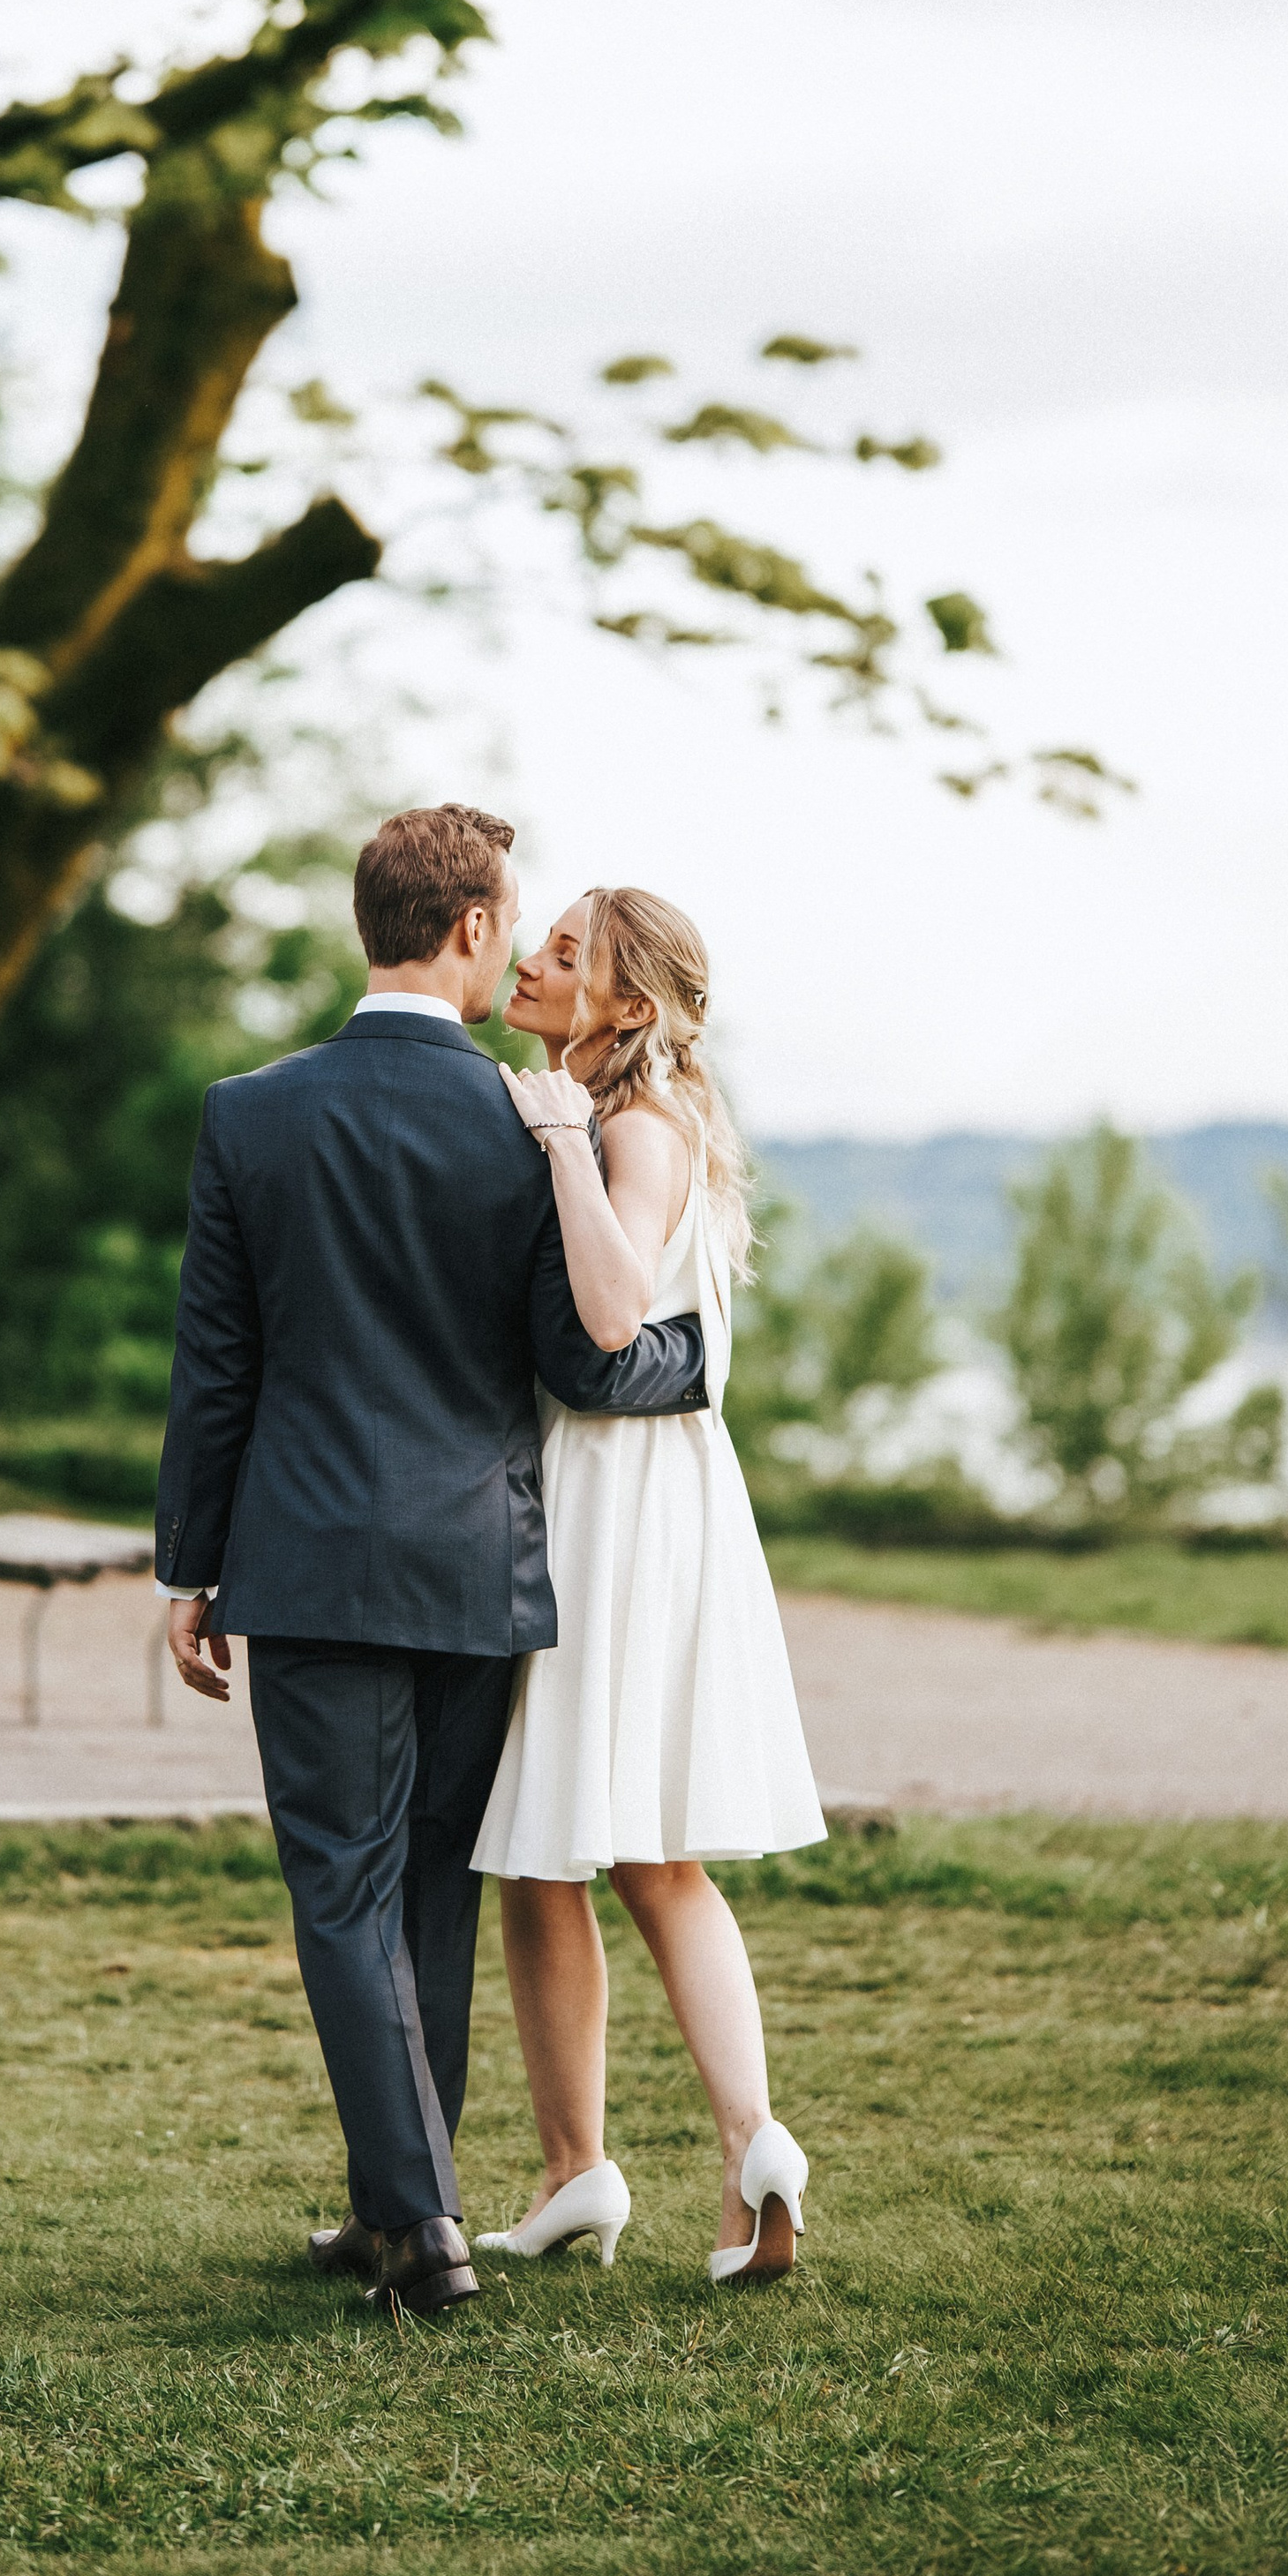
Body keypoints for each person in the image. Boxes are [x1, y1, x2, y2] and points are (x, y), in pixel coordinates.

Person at [155, 807, 712, 2318]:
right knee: (426, 1896)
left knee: (341, 1891)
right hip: (481, 1569)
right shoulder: (539, 1123)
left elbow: (220, 1368)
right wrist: (699, 1363)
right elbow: (582, 1359)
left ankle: (422, 2224)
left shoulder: (250, 1113)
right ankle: (402, 2200)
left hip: (310, 1563)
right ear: (470, 927)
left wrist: (184, 1570)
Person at [471, 886, 825, 2287]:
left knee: (575, 1836)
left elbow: (614, 1312)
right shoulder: (637, 1107)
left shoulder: (627, 1121)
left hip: (610, 1498)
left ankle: (644, 2156)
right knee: (604, 1848)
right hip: (647, 1484)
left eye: (570, 953)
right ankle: (686, 2157)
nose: (537, 959)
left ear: (626, 1005)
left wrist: (559, 1138)